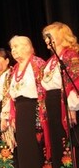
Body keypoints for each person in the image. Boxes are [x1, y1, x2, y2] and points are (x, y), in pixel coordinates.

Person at [41, 22, 79, 168]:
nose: (46, 40)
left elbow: (75, 80)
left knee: (67, 141)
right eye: (45, 37)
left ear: (60, 36)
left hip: (63, 102)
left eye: (49, 36)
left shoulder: (70, 55)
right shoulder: (50, 61)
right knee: (56, 141)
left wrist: (72, 107)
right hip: (52, 104)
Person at [8, 35, 48, 168]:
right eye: (12, 48)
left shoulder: (37, 63)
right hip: (20, 108)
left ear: (27, 47)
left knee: (35, 143)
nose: (13, 50)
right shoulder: (15, 68)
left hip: (34, 108)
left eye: (16, 46)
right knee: (24, 144)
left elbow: (44, 87)